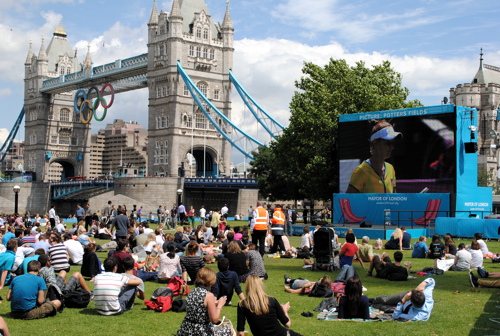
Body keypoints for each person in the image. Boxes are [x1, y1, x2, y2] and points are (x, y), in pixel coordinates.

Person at [346, 119, 402, 193]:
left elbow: (394, 199)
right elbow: (347, 201)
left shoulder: (390, 169)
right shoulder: (361, 171)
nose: (392, 147)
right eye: (388, 143)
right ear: (375, 143)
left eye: (392, 143)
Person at [238, 275, 302, 336]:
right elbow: (287, 324)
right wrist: (285, 310)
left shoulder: (242, 305)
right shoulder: (272, 300)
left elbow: (240, 333)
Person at [177, 267, 230, 336]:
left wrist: (213, 304)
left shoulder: (192, 292)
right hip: (201, 331)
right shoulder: (208, 295)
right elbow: (214, 320)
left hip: (186, 328)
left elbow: (199, 306)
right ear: (211, 281)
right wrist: (219, 305)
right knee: (229, 330)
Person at [371, 278, 436, 321]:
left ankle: (370, 304)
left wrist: (403, 300)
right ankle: (369, 300)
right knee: (386, 300)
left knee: (383, 307)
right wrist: (423, 284)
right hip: (408, 296)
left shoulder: (415, 316)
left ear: (412, 303)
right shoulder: (427, 297)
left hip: (403, 302)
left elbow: (395, 316)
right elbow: (431, 280)